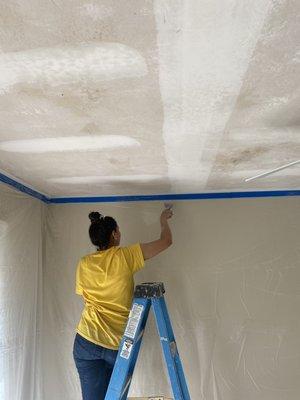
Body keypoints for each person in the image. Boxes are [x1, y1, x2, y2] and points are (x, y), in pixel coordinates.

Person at [73, 207, 173, 400]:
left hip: (86, 341)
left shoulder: (84, 263)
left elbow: (85, 297)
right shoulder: (125, 256)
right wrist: (163, 220)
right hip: (114, 344)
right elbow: (166, 241)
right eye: (118, 230)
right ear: (114, 234)